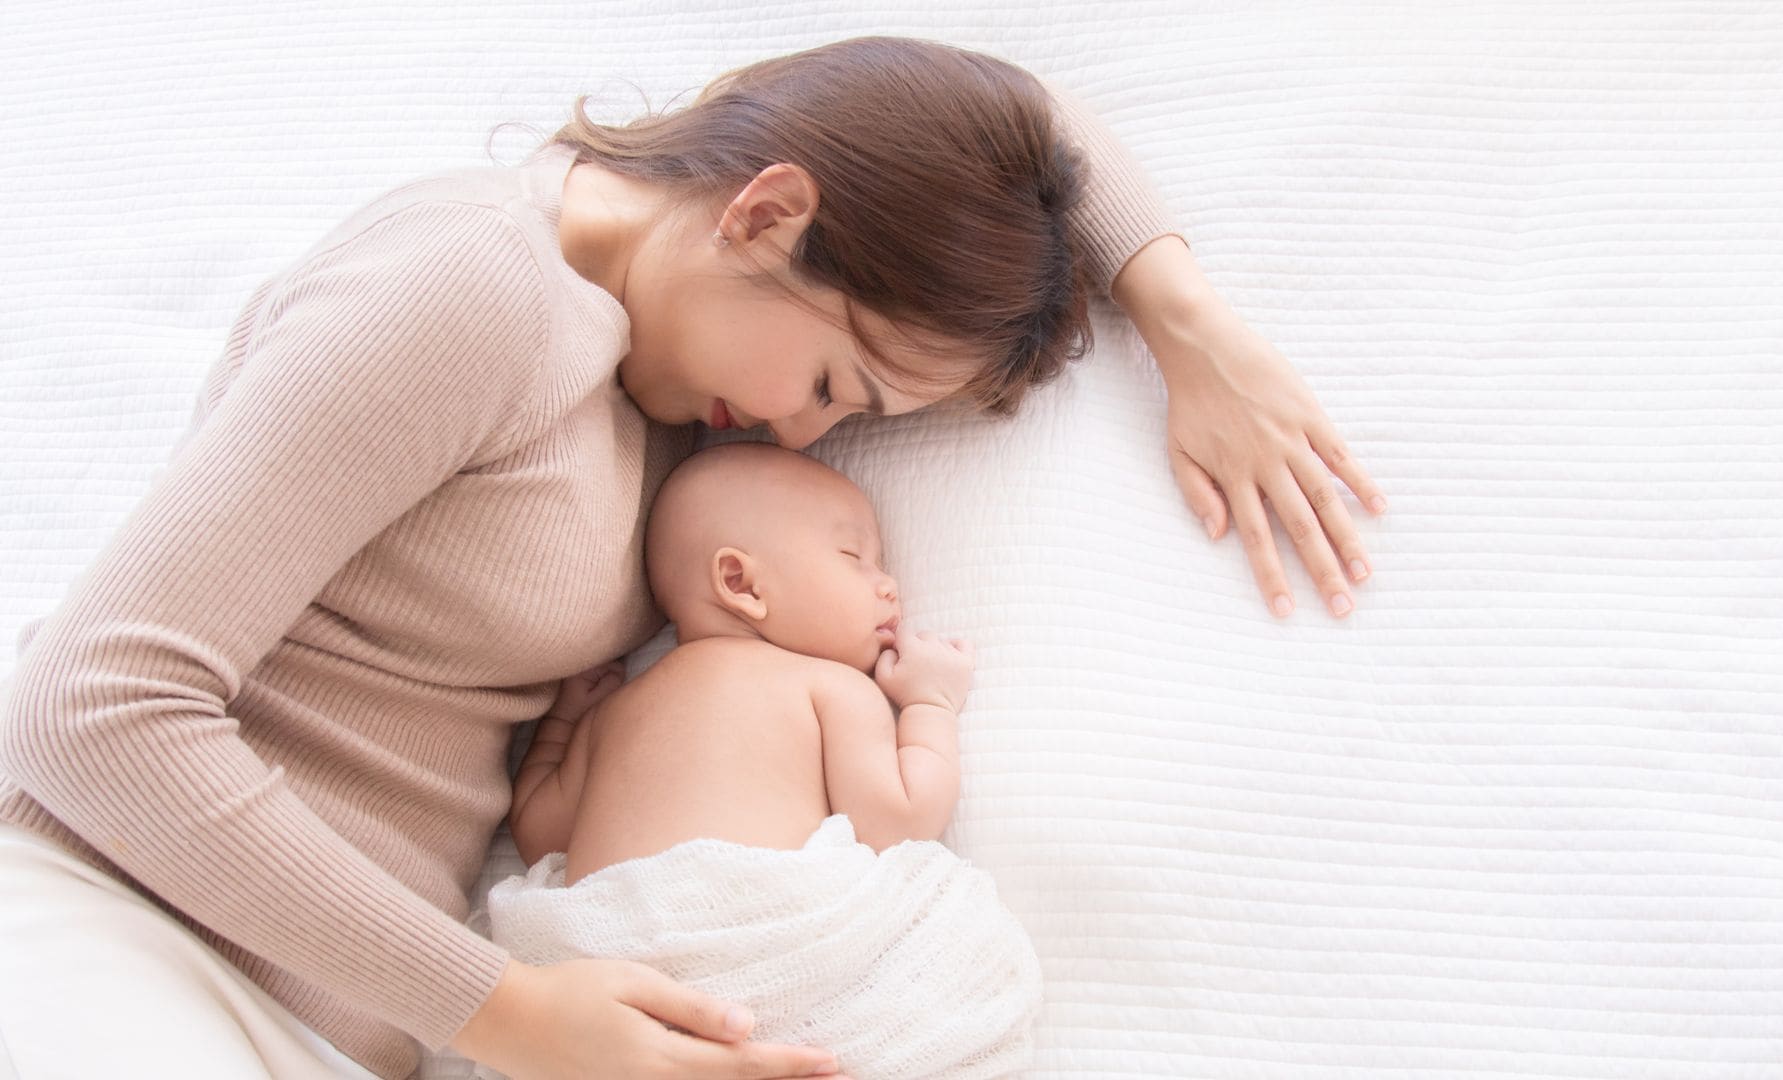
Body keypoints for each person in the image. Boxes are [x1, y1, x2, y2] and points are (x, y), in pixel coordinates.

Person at [0, 34, 1385, 1080]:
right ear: (766, 212)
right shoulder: (472, 285)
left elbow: (1021, 117)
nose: (802, 432)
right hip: (114, 925)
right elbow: (89, 703)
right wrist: (513, 1011)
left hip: (333, 1027)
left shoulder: (666, 378)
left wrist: (1183, 319)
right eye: (837, 382)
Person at [464, 441, 1041, 1080]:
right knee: (967, 967)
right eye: (854, 558)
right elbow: (900, 820)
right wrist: (931, 701)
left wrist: (565, 719)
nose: (889, 585)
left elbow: (539, 831)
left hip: (616, 994)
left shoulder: (618, 712)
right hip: (768, 968)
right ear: (741, 584)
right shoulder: (825, 686)